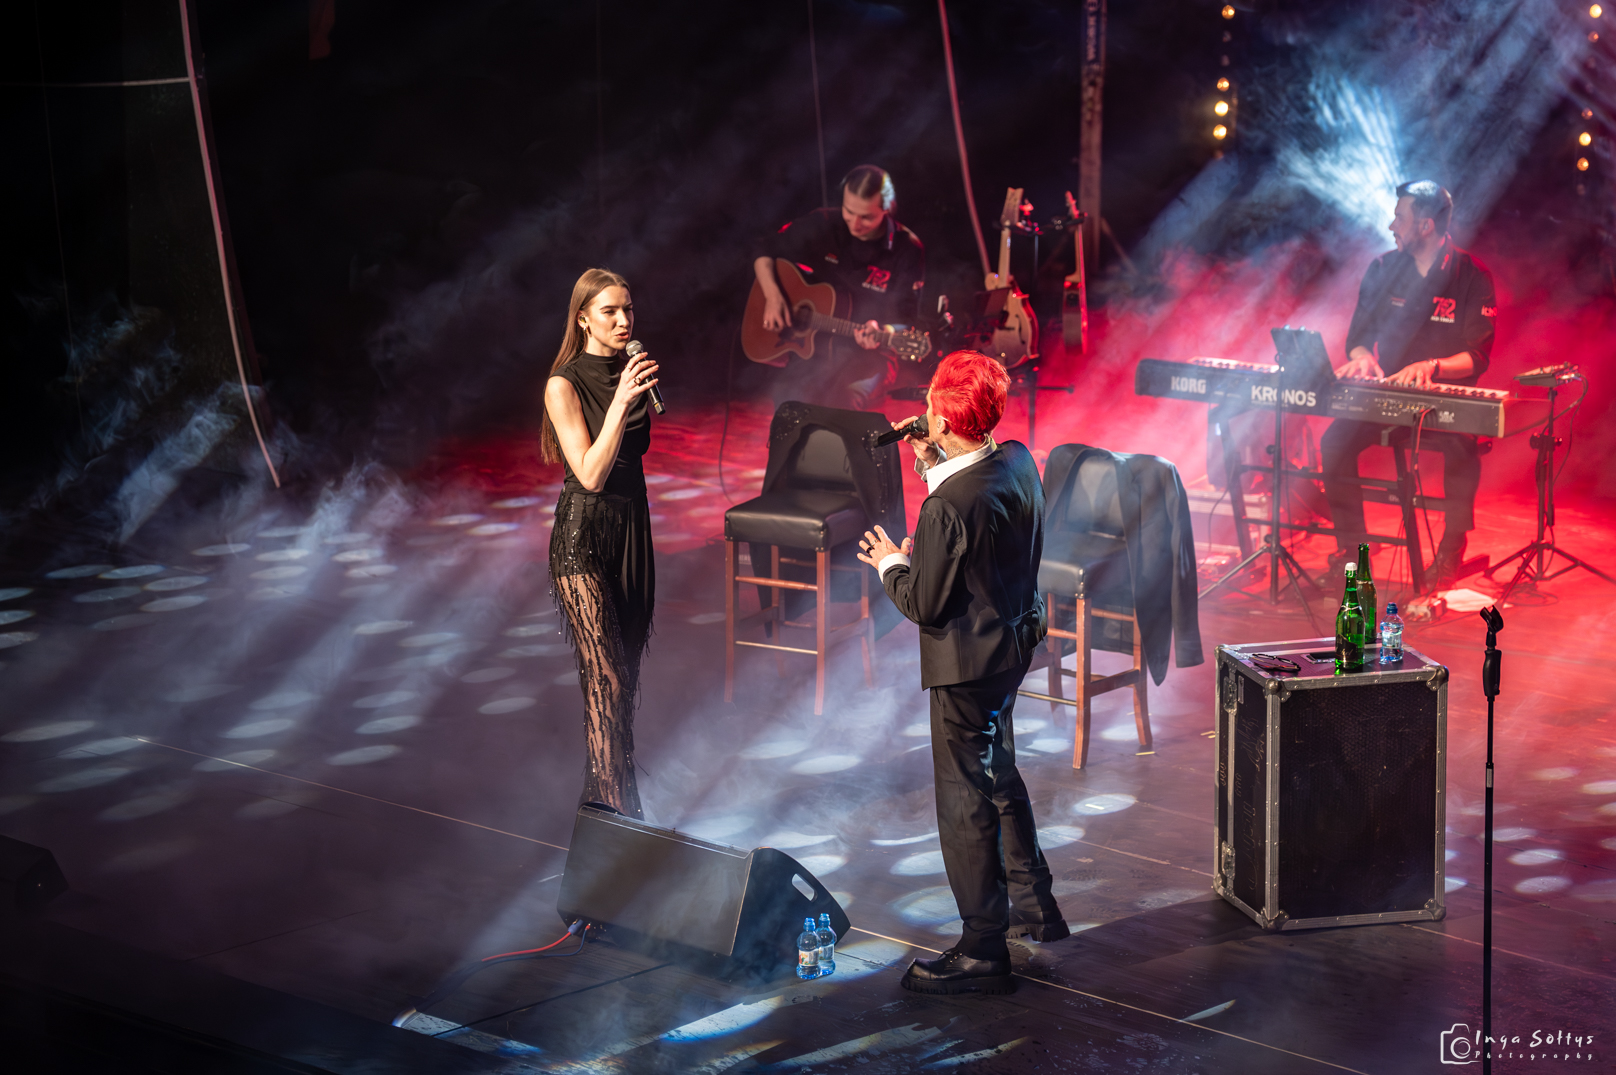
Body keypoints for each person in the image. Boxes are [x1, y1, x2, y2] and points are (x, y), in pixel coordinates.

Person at [855, 350, 1068, 996]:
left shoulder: (945, 508)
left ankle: (981, 948)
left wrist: (891, 563)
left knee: (963, 797)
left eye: (930, 408)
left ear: (945, 422)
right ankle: (1035, 906)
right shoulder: (1018, 459)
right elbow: (973, 525)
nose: (922, 415)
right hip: (1013, 645)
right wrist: (932, 464)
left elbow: (925, 602)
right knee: (997, 770)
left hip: (966, 667)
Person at [1323, 180, 1497, 587]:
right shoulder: (1382, 269)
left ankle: (1452, 548)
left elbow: (1477, 356)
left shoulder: (1473, 275)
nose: (1391, 226)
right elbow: (1358, 338)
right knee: (1334, 442)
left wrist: (1432, 367)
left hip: (1445, 397)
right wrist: (1362, 356)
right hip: (1389, 394)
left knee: (1461, 446)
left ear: (1425, 225)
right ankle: (1353, 549)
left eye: (1399, 218)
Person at [542, 268, 660, 820]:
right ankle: (614, 818)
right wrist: (620, 401)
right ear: (584, 318)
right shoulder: (563, 384)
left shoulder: (633, 372)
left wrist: (631, 390)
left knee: (623, 684)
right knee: (605, 680)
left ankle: (615, 814)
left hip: (631, 531)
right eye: (609, 311)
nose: (622, 320)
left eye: (627, 309)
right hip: (583, 537)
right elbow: (589, 473)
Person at [752, 165, 925, 409]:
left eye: (866, 217)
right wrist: (773, 297)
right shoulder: (824, 223)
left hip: (870, 355)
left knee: (846, 404)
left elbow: (907, 319)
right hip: (814, 348)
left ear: (887, 209)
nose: (855, 223)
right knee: (789, 403)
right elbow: (764, 248)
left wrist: (883, 330)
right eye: (849, 211)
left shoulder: (907, 249)